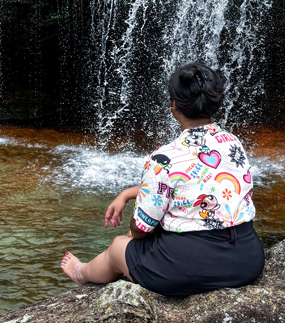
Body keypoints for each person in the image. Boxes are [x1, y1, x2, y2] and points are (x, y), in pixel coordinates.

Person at [60, 61, 265, 295]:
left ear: (174, 106)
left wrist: (134, 232)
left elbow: (141, 228)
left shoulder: (164, 158)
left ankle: (81, 272)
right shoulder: (232, 143)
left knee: (119, 246)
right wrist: (127, 193)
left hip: (189, 270)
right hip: (246, 261)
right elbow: (194, 184)